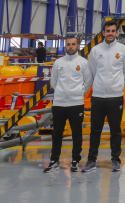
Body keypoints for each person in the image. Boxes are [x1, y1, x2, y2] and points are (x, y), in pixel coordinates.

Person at [83, 20, 125, 173]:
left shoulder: (124, 50)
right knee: (95, 130)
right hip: (98, 97)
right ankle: (91, 160)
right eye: (107, 31)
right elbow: (91, 73)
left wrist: (118, 87)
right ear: (103, 33)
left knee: (116, 130)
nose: (110, 33)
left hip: (115, 97)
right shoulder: (95, 51)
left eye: (113, 31)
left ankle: (115, 160)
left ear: (117, 33)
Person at [44, 34, 92, 173]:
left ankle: (75, 160)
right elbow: (53, 81)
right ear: (65, 46)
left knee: (77, 133)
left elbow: (88, 81)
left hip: (76, 103)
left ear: (77, 46)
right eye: (68, 44)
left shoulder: (83, 62)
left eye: (73, 44)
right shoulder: (59, 62)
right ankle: (54, 160)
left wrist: (79, 92)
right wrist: (61, 91)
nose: (70, 47)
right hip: (59, 103)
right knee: (57, 133)